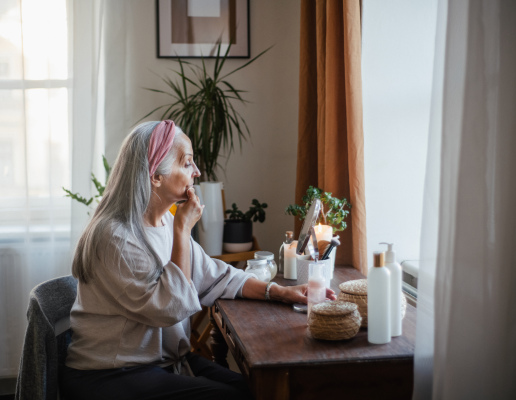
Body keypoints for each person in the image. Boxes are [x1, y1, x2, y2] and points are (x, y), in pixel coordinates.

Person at [60, 120, 336, 400]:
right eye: (187, 163)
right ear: (156, 175)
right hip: (112, 372)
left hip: (163, 364)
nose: (197, 171)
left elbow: (215, 275)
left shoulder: (164, 221)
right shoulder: (115, 238)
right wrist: (183, 230)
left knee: (259, 389)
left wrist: (280, 292)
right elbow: (171, 308)